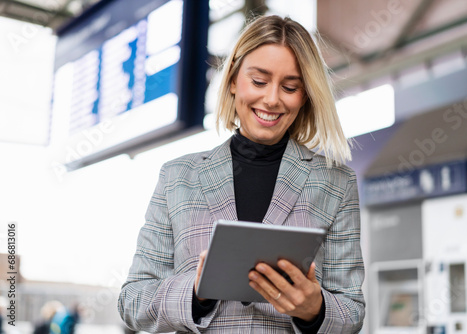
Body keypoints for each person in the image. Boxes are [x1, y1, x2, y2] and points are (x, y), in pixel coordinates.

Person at [118, 15, 365, 333]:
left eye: (290, 87)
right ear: (233, 79)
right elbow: (132, 302)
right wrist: (195, 295)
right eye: (259, 81)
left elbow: (352, 311)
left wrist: (314, 309)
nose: (272, 99)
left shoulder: (336, 183)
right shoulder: (177, 177)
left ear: (305, 96)